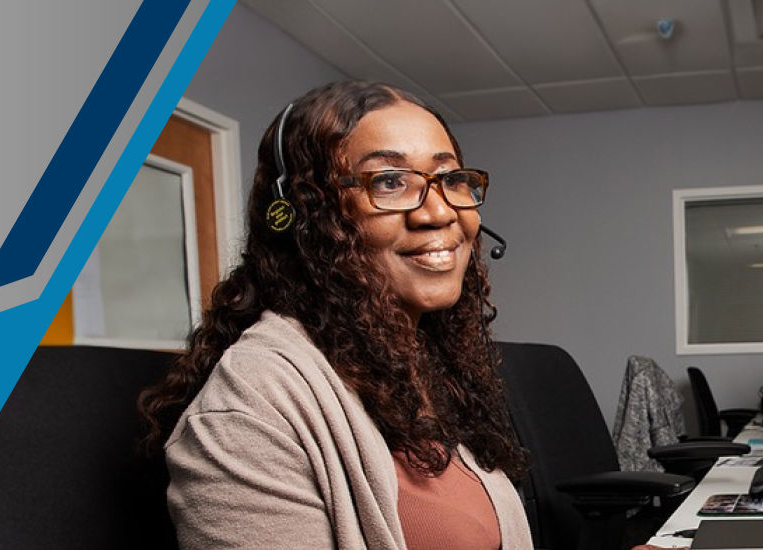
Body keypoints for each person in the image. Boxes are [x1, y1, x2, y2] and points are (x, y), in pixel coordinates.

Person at [136, 80, 530, 549]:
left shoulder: (423, 367)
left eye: (449, 179)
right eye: (388, 181)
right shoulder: (248, 409)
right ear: (307, 215)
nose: (439, 212)